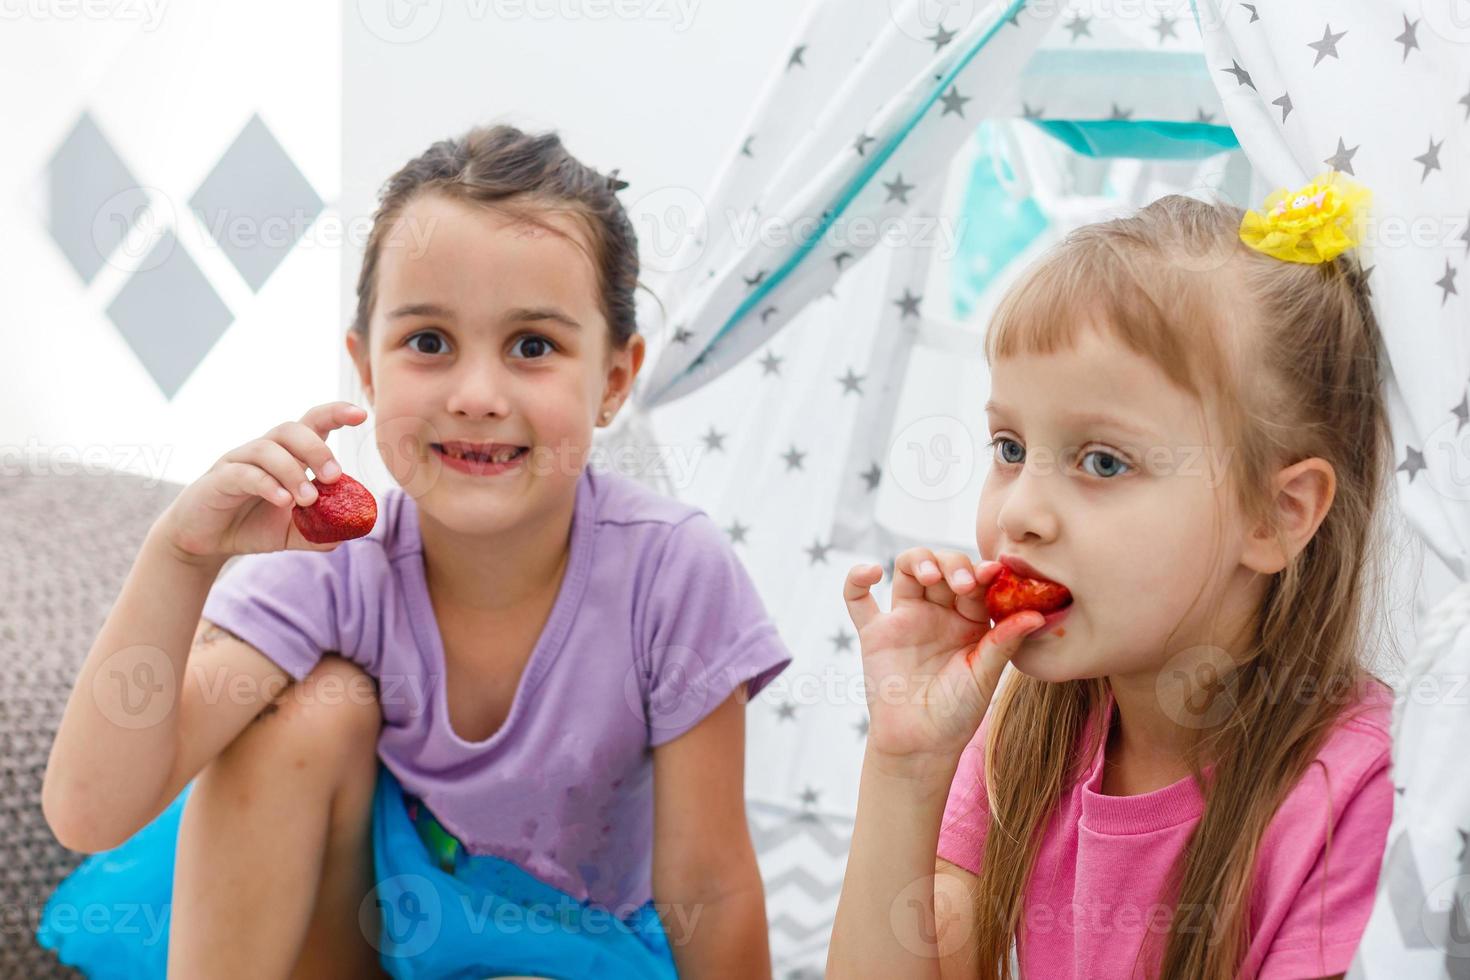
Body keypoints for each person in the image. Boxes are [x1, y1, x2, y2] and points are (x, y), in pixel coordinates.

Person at [39, 124, 791, 979]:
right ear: (366, 366)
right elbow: (87, 812)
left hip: (576, 957)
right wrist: (181, 555)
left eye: (533, 346)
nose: (476, 395)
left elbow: (712, 886)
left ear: (614, 379)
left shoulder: (672, 574)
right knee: (310, 708)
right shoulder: (330, 567)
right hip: (363, 945)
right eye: (429, 342)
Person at [828, 175, 1394, 979]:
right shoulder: (1027, 732)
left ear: (1276, 515)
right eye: (1011, 449)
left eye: (1103, 461)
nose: (1021, 511)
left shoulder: (1356, 797)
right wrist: (906, 766)